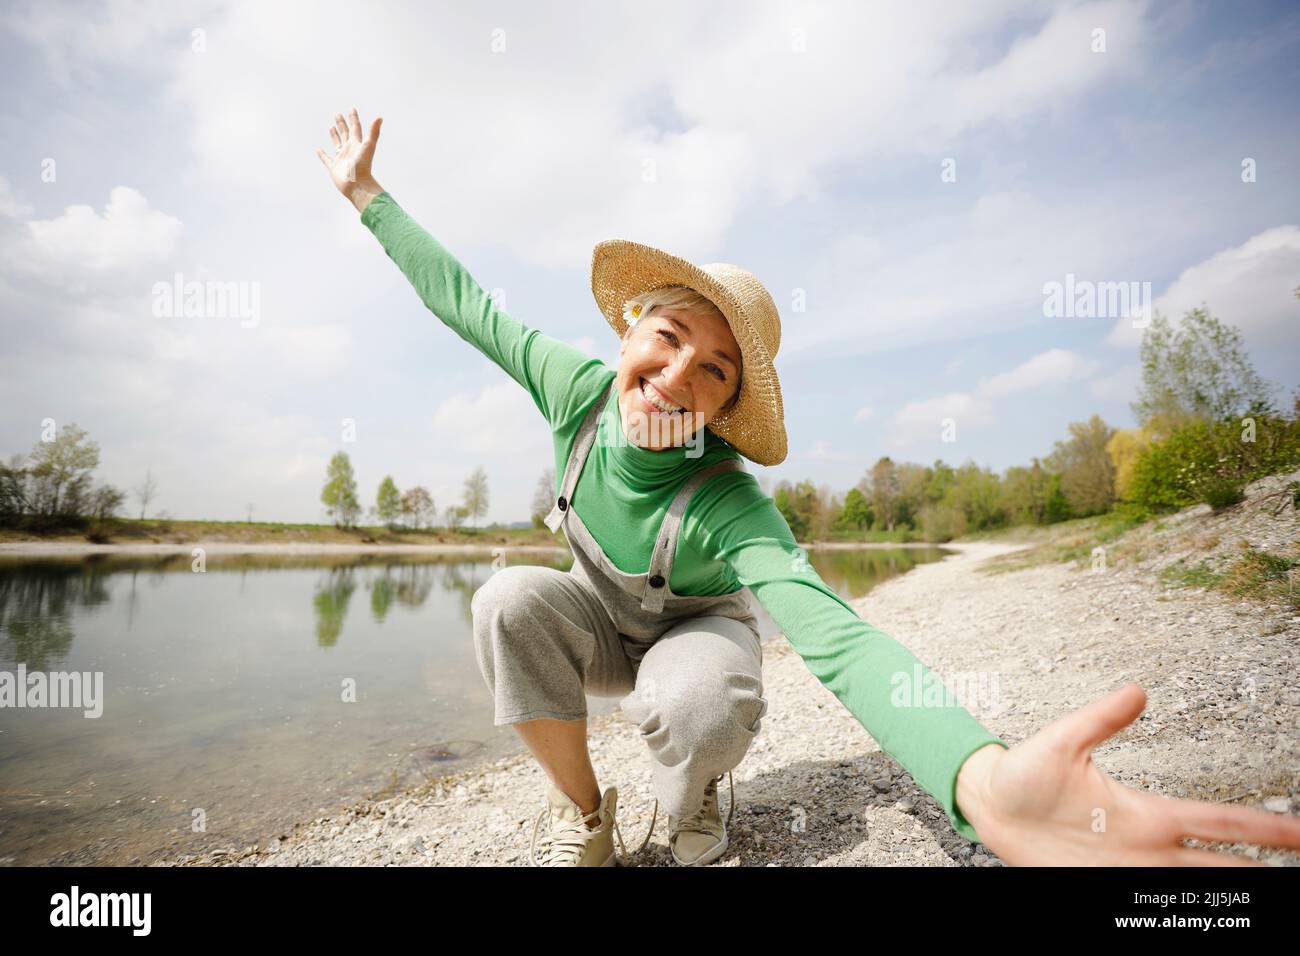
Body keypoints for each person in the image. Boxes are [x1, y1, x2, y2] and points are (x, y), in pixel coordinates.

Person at [317, 107, 1300, 867]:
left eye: (713, 369)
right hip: (597, 632)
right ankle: (583, 814)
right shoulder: (571, 389)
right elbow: (463, 300)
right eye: (668, 338)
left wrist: (980, 776)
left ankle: (695, 790)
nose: (675, 375)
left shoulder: (726, 499)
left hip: (691, 639)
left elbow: (836, 631)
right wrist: (369, 197)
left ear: (724, 407)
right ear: (628, 332)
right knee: (503, 596)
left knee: (699, 693)